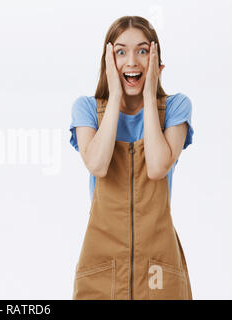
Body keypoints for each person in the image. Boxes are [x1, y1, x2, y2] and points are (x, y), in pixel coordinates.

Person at [69, 16, 194, 300]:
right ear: (108, 61)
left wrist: (150, 96)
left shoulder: (176, 107)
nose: (132, 61)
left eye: (142, 50)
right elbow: (98, 164)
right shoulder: (86, 109)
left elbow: (158, 167)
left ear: (156, 58)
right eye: (121, 52)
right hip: (102, 265)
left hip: (158, 267)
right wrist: (114, 97)